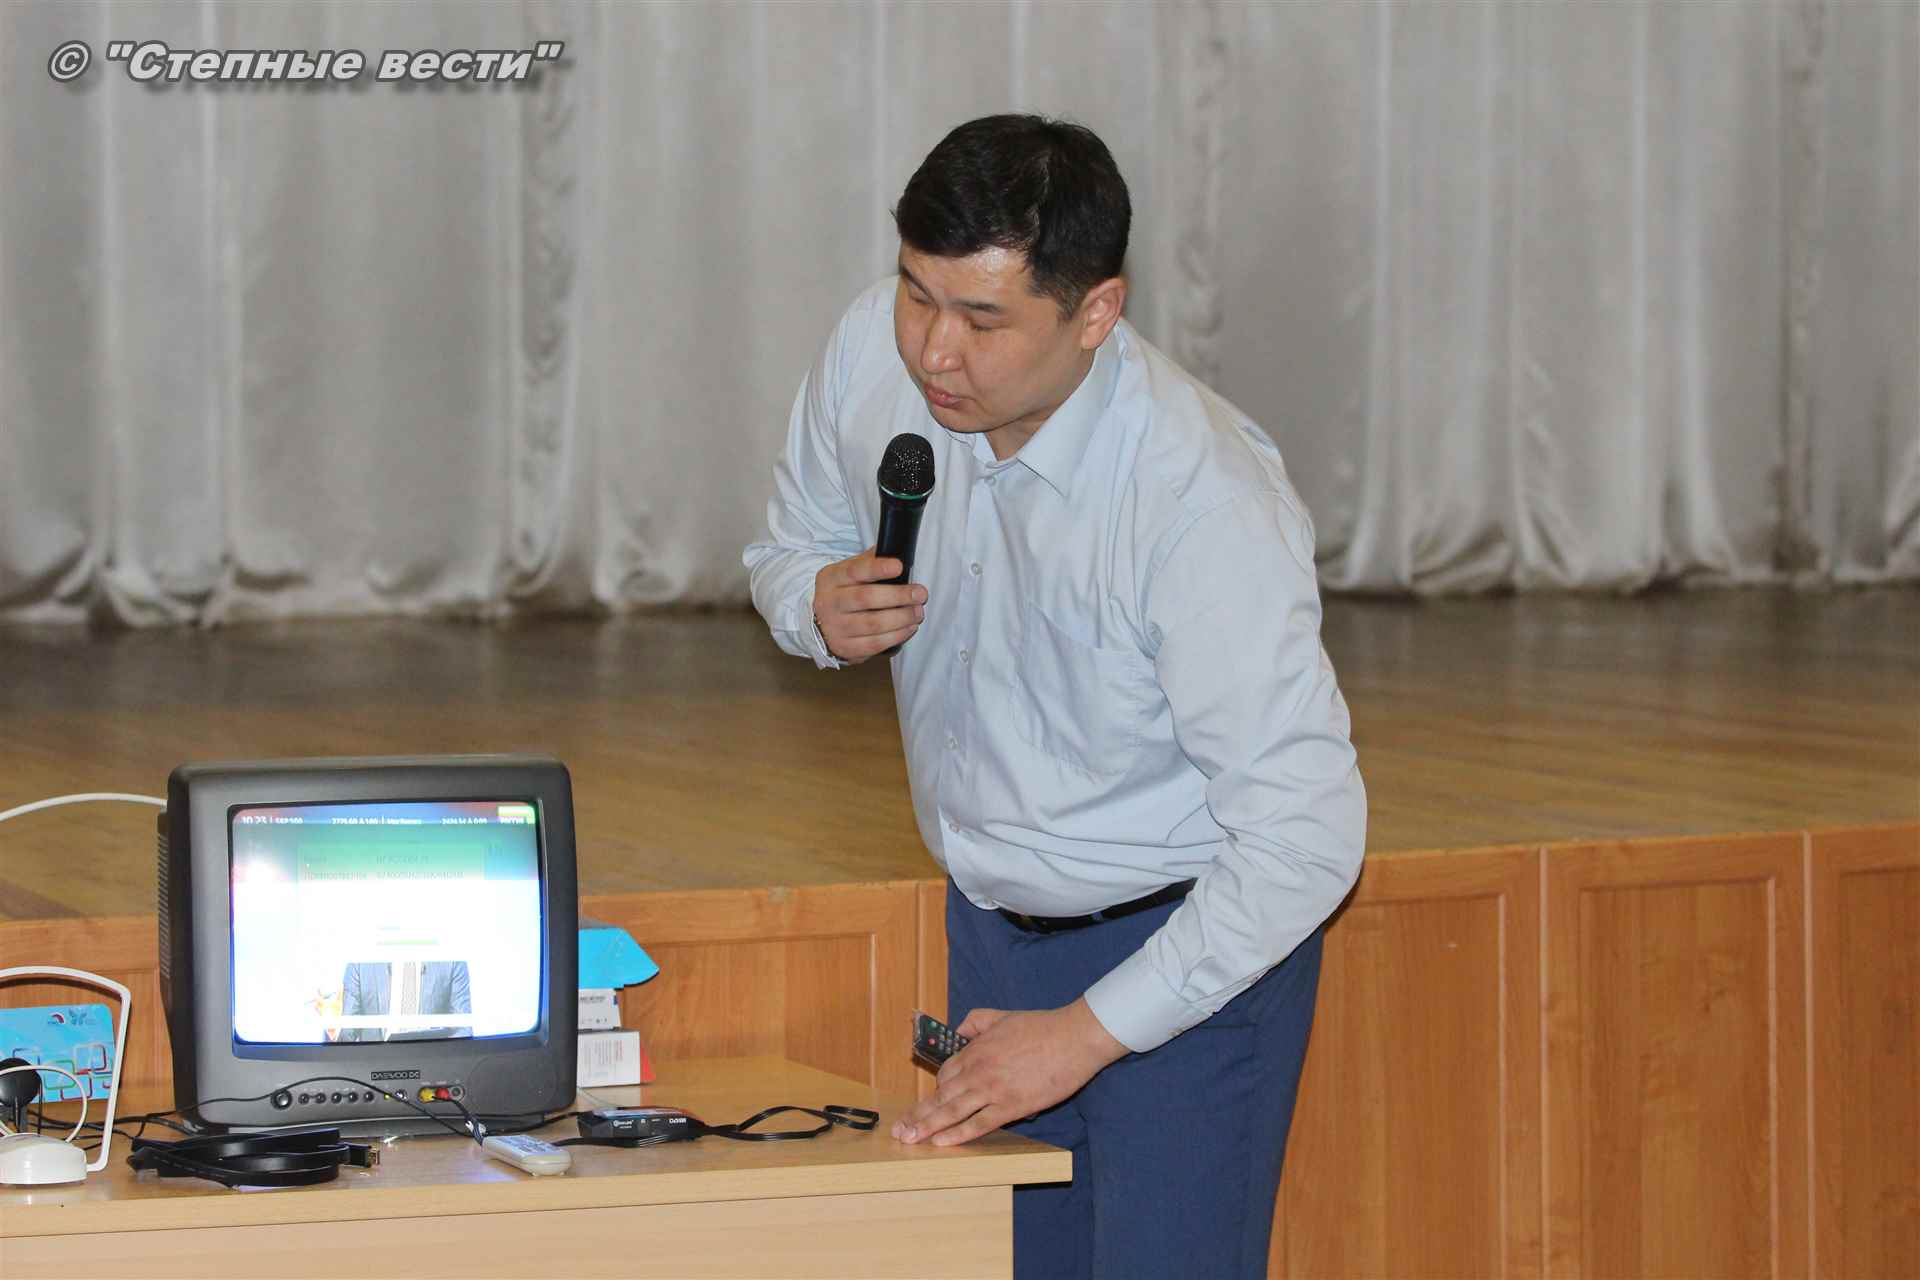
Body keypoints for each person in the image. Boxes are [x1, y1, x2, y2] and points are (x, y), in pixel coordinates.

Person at [743, 114, 1365, 1279]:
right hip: (990, 935)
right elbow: (789, 545)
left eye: (983, 320)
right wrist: (813, 605)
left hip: (1187, 959)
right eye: (916, 293)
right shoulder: (872, 351)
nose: (934, 351)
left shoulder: (1201, 498)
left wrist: (1080, 1035)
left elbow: (1308, 838)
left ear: (1096, 312)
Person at [335, 959, 472, 1042]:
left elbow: (462, 1030)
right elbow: (345, 1035)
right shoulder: (359, 962)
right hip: (375, 1066)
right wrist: (332, 1028)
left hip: (431, 1064)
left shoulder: (452, 960)